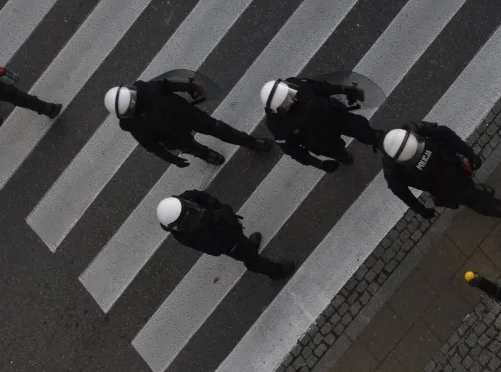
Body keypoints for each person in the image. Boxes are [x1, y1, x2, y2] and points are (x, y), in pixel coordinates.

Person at [381, 122, 501, 232]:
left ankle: (473, 188)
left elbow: (446, 134)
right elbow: (401, 192)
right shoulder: (393, 173)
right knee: (479, 204)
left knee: (469, 185)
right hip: (442, 186)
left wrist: (469, 153)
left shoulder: (416, 129)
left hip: (451, 164)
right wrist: (421, 210)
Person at [104, 80, 272, 167]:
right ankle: (206, 155)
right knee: (192, 148)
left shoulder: (146, 89)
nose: (135, 101)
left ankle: (251, 142)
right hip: (173, 136)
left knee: (220, 129)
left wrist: (188, 86)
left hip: (187, 115)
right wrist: (171, 159)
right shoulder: (133, 126)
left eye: (132, 98)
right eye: (131, 103)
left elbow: (167, 85)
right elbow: (152, 146)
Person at [156, 191, 295, 279]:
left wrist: (215, 204)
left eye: (189, 210)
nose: (193, 214)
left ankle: (249, 246)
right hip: (229, 243)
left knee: (245, 243)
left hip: (228, 226)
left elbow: (197, 195)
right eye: (187, 218)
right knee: (252, 260)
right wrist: (226, 230)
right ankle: (276, 272)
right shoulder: (186, 236)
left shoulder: (182, 202)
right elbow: (214, 249)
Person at [260, 77, 382, 173]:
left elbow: (321, 88)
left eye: (289, 95)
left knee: (364, 131)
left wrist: (343, 90)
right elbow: (294, 151)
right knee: (339, 153)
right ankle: (344, 157)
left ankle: (378, 140)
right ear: (277, 108)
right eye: (285, 102)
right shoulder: (277, 126)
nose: (291, 100)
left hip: (335, 117)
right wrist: (319, 164)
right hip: (321, 141)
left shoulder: (295, 85)